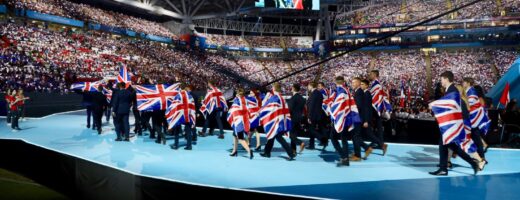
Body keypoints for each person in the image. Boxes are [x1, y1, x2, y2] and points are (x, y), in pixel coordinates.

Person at [429, 71, 480, 176]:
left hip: (451, 124)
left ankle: (444, 168)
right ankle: (471, 162)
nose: (441, 81)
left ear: (447, 79)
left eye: (442, 79)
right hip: (450, 124)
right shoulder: (450, 90)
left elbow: (448, 104)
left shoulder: (452, 90)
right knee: (450, 145)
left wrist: (434, 104)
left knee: (445, 144)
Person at [259, 83, 295, 160]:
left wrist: (259, 112)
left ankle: (291, 153)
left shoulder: (275, 98)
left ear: (274, 89)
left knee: (278, 138)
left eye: (272, 87)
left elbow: (267, 107)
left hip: (275, 121)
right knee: (271, 137)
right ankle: (267, 152)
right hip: (281, 120)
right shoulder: (282, 98)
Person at [361, 79, 388, 157]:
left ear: (366, 86)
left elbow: (366, 108)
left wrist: (366, 120)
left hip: (366, 118)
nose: (361, 85)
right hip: (366, 117)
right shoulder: (366, 93)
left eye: (362, 84)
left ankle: (381, 145)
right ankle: (381, 145)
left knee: (368, 134)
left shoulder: (366, 94)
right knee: (368, 134)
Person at [227, 88, 254, 159]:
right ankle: (234, 151)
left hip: (238, 122)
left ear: (238, 94)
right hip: (244, 121)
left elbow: (233, 110)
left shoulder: (236, 101)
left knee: (241, 138)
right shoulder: (245, 100)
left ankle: (249, 151)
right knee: (234, 135)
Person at [167, 84, 196, 150]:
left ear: (180, 88)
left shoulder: (178, 95)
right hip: (188, 115)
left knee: (177, 130)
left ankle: (176, 145)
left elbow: (173, 105)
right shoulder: (190, 96)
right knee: (188, 131)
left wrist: (168, 112)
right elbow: (192, 106)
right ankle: (189, 146)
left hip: (179, 115)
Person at [351, 77, 372, 160]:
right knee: (355, 136)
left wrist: (350, 107)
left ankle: (357, 155)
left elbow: (359, 106)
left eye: (353, 83)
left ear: (358, 83)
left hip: (358, 118)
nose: (352, 84)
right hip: (358, 117)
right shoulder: (358, 92)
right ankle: (366, 148)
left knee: (355, 136)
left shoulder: (359, 92)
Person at [306, 82, 326, 150]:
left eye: (308, 86)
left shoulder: (314, 94)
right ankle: (311, 145)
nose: (308, 87)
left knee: (311, 130)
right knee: (313, 129)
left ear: (311, 86)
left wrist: (309, 116)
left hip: (313, 115)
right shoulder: (318, 93)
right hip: (318, 114)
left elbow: (311, 106)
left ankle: (322, 139)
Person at [369, 70, 385, 149]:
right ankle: (378, 142)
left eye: (371, 74)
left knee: (372, 124)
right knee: (377, 125)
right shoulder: (375, 83)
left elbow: (373, 96)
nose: (369, 75)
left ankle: (378, 142)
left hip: (375, 107)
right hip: (376, 107)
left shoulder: (376, 84)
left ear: (375, 75)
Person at [288, 83, 306, 154]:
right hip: (299, 118)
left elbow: (290, 109)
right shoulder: (302, 98)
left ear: (293, 88)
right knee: (294, 135)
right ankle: (293, 151)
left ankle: (300, 142)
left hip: (293, 118)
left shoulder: (293, 98)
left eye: (292, 87)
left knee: (291, 136)